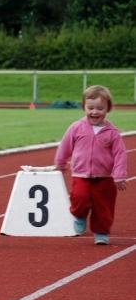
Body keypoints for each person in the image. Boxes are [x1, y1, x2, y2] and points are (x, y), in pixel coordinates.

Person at [54, 85, 127, 245]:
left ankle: (101, 232)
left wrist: (119, 175)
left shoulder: (112, 133)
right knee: (79, 198)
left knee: (104, 207)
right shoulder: (76, 127)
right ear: (84, 107)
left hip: (104, 177)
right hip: (81, 174)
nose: (95, 112)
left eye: (100, 108)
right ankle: (79, 215)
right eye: (90, 108)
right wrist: (60, 163)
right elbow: (65, 146)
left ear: (108, 109)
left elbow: (120, 154)